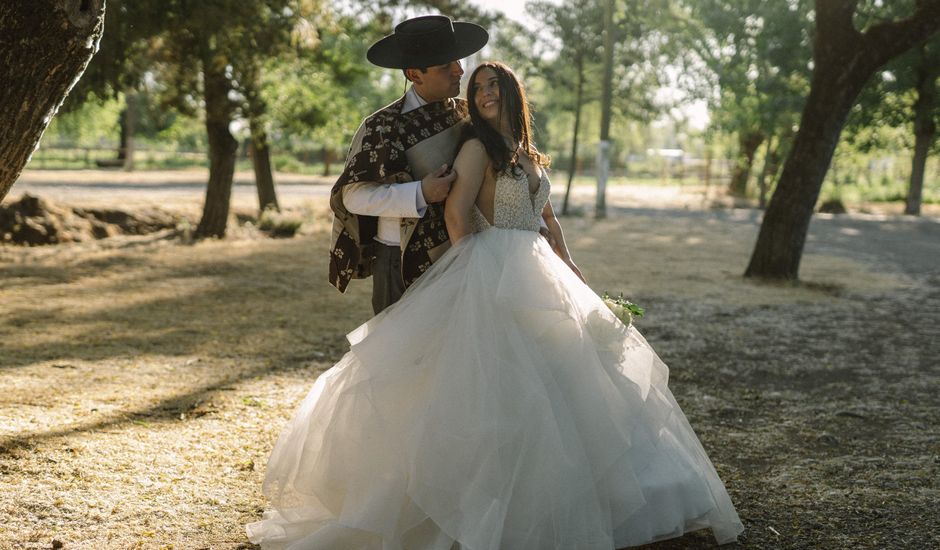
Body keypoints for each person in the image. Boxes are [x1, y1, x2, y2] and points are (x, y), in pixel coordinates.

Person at [247, 62, 745, 549]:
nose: (479, 89)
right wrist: (472, 277)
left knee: (564, 384)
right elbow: (455, 214)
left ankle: (575, 493)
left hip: (538, 270)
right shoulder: (463, 144)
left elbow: (547, 217)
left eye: (493, 84)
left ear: (513, 94)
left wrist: (568, 263)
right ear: (418, 73)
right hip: (487, 267)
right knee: (488, 389)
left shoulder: (523, 151)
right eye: (474, 82)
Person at [328, 15, 488, 314]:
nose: (459, 71)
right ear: (415, 74)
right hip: (399, 261)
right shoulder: (382, 126)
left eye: (458, 62)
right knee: (397, 357)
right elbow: (352, 197)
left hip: (464, 253)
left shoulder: (468, 116)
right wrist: (420, 193)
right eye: (446, 66)